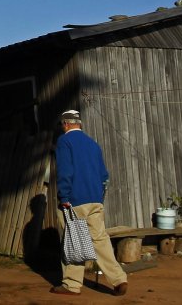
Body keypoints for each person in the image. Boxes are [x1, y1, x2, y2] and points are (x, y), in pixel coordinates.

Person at [51, 109, 128, 297]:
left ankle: (71, 284)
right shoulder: (93, 144)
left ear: (65, 124)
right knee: (100, 240)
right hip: (95, 200)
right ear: (79, 124)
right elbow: (104, 176)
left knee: (73, 240)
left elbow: (65, 172)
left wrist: (64, 197)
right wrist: (98, 196)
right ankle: (119, 279)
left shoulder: (64, 141)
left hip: (74, 201)